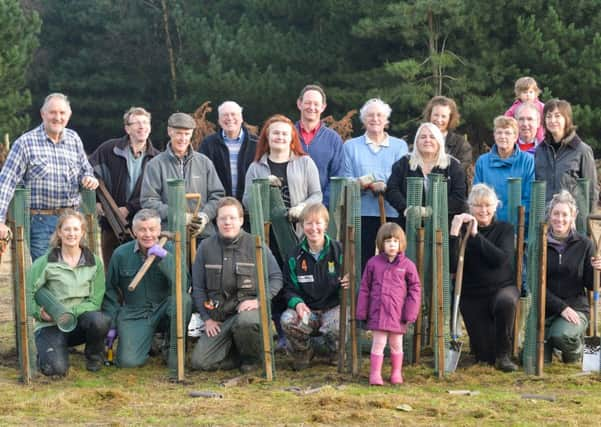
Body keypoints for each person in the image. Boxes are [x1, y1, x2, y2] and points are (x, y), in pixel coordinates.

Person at [0, 93, 98, 260]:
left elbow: (85, 169)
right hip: (41, 222)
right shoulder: (25, 143)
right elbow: (6, 182)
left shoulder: (74, 139)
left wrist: (89, 178)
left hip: (72, 221)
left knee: (73, 273)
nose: (57, 117)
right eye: (52, 112)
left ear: (69, 115)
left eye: (62, 113)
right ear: (42, 114)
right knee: (47, 273)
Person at [190, 197, 283, 372]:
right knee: (199, 363)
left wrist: (259, 301)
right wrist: (207, 319)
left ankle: (252, 361)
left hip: (247, 314)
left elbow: (276, 277)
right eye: (223, 218)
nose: (227, 222)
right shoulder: (205, 247)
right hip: (219, 319)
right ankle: (236, 355)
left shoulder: (256, 245)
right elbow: (198, 288)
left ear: (241, 220)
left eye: (232, 218)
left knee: (246, 322)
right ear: (216, 221)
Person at [102, 208, 192, 368]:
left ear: (159, 230)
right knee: (128, 363)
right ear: (134, 231)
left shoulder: (171, 250)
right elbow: (110, 291)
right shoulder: (121, 254)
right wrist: (112, 323)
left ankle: (172, 349)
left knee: (183, 300)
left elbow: (184, 285)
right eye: (142, 230)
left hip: (165, 310)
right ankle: (148, 342)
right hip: (135, 313)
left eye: (152, 229)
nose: (148, 234)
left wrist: (166, 258)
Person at [28, 209, 110, 376]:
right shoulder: (45, 262)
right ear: (59, 232)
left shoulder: (94, 262)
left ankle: (95, 356)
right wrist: (39, 313)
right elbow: (28, 293)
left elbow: (95, 301)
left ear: (82, 232)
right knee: (55, 371)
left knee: (100, 320)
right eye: (66, 229)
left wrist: (66, 314)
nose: (71, 234)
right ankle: (50, 352)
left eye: (75, 229)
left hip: (79, 322)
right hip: (51, 324)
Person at [449, 184, 519, 372]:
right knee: (484, 358)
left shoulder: (505, 229)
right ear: (470, 207)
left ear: (496, 206)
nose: (483, 210)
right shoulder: (461, 231)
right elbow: (451, 265)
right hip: (472, 295)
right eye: (478, 206)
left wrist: (476, 236)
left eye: (488, 205)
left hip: (502, 289)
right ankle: (484, 347)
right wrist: (454, 232)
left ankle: (504, 354)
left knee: (506, 302)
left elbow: (500, 260)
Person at [280, 203, 348, 370]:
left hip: (333, 308)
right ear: (302, 226)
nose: (313, 228)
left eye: (318, 223)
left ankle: (335, 352)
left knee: (336, 325)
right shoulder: (294, 256)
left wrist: (350, 280)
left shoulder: (340, 251)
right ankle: (304, 352)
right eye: (308, 223)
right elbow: (288, 288)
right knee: (287, 320)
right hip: (308, 311)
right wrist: (298, 304)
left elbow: (356, 280)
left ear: (326, 224)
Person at [89, 107, 160, 267]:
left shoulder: (157, 158)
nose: (142, 127)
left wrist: (129, 208)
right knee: (111, 269)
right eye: (137, 123)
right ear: (127, 128)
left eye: (145, 122)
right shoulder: (109, 150)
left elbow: (156, 192)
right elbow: (88, 173)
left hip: (143, 225)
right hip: (110, 223)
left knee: (139, 268)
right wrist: (97, 204)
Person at [342, 98, 408, 270]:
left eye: (380, 115)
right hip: (360, 215)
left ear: (386, 120)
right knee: (364, 263)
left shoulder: (399, 146)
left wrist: (375, 181)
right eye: (370, 115)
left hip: (391, 213)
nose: (375, 119)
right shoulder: (350, 146)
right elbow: (346, 178)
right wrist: (364, 183)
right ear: (363, 120)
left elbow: (400, 176)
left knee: (391, 262)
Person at [141, 112, 225, 239]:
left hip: (203, 235)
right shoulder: (155, 165)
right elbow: (148, 201)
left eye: (187, 134)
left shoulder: (205, 162)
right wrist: (176, 216)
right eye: (179, 133)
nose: (183, 138)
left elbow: (217, 196)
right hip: (169, 236)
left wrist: (204, 217)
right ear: (170, 132)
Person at [357, 222, 421, 385]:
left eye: (395, 241)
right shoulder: (373, 263)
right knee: (378, 344)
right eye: (387, 241)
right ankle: (375, 374)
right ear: (381, 244)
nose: (392, 245)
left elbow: (415, 289)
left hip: (397, 314)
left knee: (396, 344)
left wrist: (410, 312)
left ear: (401, 243)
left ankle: (396, 373)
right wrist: (362, 312)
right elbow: (365, 288)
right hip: (378, 313)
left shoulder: (408, 265)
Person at [544, 190, 601, 363]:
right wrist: (561, 307)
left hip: (576, 308)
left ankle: (576, 351)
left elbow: (592, 285)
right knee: (531, 358)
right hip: (546, 308)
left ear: (573, 216)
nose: (559, 219)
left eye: (564, 214)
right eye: (556, 214)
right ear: (550, 215)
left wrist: (598, 270)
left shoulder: (585, 244)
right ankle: (552, 340)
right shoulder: (540, 243)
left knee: (561, 336)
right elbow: (535, 284)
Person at [243, 114, 322, 232]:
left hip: (299, 231)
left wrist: (302, 207)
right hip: (266, 234)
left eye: (285, 134)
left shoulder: (306, 163)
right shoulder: (255, 167)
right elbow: (247, 202)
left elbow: (317, 195)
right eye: (275, 133)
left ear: (292, 138)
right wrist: (262, 185)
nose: (280, 137)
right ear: (267, 136)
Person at [385, 122, 467, 228]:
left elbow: (459, 196)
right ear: (417, 141)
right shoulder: (404, 163)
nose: (427, 140)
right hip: (409, 225)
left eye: (432, 137)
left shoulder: (452, 165)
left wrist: (430, 211)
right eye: (423, 137)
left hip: (442, 227)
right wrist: (406, 208)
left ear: (439, 142)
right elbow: (392, 189)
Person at [535, 99, 599, 207]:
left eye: (557, 116)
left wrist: (584, 219)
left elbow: (591, 190)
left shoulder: (582, 150)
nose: (552, 120)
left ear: (567, 119)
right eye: (548, 116)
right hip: (545, 218)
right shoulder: (540, 150)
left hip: (572, 218)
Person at [473, 116, 534, 223]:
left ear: (515, 137)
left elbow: (529, 197)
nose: (503, 136)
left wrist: (513, 218)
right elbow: (477, 195)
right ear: (494, 135)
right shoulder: (482, 162)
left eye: (507, 133)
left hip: (518, 224)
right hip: (489, 223)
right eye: (499, 132)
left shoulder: (528, 161)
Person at [199, 101, 257, 202]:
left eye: (233, 114)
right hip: (220, 208)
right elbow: (201, 175)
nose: (230, 118)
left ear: (242, 118)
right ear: (219, 120)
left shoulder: (256, 144)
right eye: (225, 115)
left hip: (251, 208)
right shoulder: (208, 144)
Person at [295, 84, 344, 206]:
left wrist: (322, 204)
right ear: (299, 104)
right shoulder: (287, 135)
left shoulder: (333, 139)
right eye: (308, 103)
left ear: (323, 107)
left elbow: (337, 177)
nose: (312, 107)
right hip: (291, 207)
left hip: (321, 212)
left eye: (316, 104)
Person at [422, 96, 472, 173]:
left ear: (450, 118)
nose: (439, 120)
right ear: (429, 115)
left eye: (443, 116)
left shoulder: (461, 145)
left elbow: (458, 172)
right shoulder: (419, 141)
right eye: (436, 115)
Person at [504, 76, 545, 143]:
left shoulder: (541, 106)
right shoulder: (515, 107)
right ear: (519, 94)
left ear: (535, 93)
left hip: (539, 137)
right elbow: (506, 119)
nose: (528, 95)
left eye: (531, 92)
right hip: (520, 138)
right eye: (525, 92)